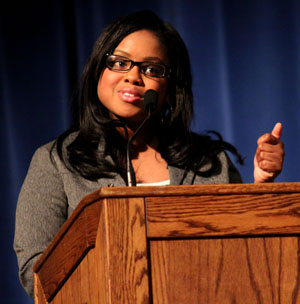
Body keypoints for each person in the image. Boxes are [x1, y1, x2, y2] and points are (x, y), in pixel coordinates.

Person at [13, 10, 284, 298]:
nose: (133, 77)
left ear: (170, 89)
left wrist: (262, 186)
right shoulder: (56, 161)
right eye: (119, 63)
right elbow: (36, 272)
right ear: (97, 72)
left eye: (152, 69)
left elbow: (244, 253)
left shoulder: (208, 162)